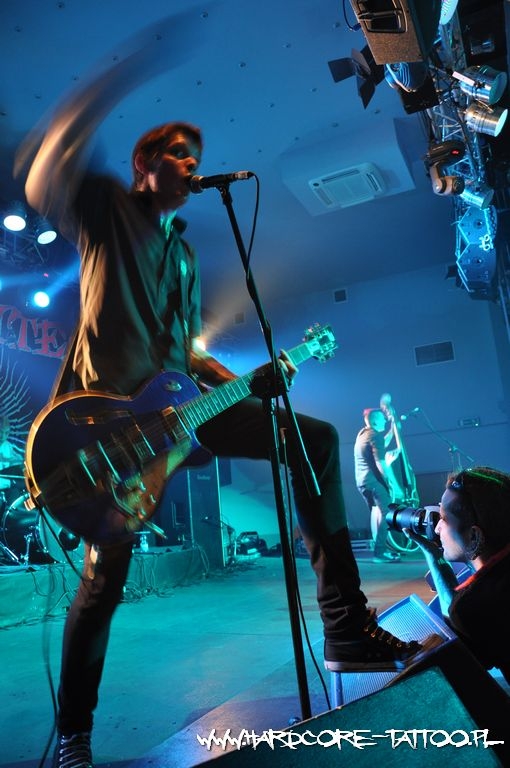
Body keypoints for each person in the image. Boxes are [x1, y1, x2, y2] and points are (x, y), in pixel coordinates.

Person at [18, 22, 440, 768]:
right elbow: (45, 170)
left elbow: (183, 355)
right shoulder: (110, 213)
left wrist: (250, 377)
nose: (191, 164)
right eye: (178, 153)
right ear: (145, 165)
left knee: (311, 437)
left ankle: (345, 627)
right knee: (104, 579)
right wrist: (118, 76)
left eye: (196, 156)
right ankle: (74, 736)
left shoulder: (183, 257)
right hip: (109, 423)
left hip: (178, 410)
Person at [404, 466, 510, 685]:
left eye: (444, 518)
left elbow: (463, 653)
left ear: (474, 536)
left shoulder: (478, 603)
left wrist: (435, 558)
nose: (436, 529)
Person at [354, 407, 402, 562]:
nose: (385, 420)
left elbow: (381, 443)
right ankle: (379, 553)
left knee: (379, 515)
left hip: (363, 483)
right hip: (373, 482)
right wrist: (393, 483)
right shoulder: (375, 435)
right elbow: (380, 462)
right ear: (375, 421)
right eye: (383, 418)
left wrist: (392, 430)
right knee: (387, 514)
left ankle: (381, 550)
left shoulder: (364, 433)